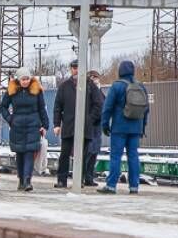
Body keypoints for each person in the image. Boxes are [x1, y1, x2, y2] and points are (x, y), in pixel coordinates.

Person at [98, 60, 149, 195]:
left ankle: (111, 185)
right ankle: (134, 186)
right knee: (133, 156)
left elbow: (107, 107)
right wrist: (143, 127)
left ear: (120, 71)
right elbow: (146, 110)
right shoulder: (141, 87)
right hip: (136, 128)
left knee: (116, 156)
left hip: (119, 128)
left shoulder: (117, 86)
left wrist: (104, 124)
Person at [0, 67, 49, 192]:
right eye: (23, 79)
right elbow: (3, 107)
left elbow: (42, 108)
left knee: (29, 152)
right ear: (18, 79)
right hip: (17, 126)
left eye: (27, 79)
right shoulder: (12, 91)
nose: (26, 81)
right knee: (20, 153)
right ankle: (21, 179)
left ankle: (27, 180)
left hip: (33, 126)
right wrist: (10, 119)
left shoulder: (37, 90)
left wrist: (45, 125)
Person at [53, 59, 98, 188]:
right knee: (65, 154)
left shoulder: (90, 86)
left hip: (85, 127)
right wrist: (57, 124)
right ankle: (62, 180)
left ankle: (79, 180)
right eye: (74, 68)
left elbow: (98, 104)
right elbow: (57, 106)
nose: (76, 70)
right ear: (71, 69)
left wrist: (90, 119)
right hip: (69, 126)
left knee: (82, 155)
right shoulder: (64, 86)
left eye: (78, 67)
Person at [84, 69, 105, 186]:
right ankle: (83, 177)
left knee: (94, 153)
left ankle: (89, 177)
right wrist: (90, 119)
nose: (95, 79)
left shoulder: (100, 91)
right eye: (92, 77)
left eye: (96, 77)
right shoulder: (87, 91)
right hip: (90, 125)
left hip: (98, 127)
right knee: (88, 152)